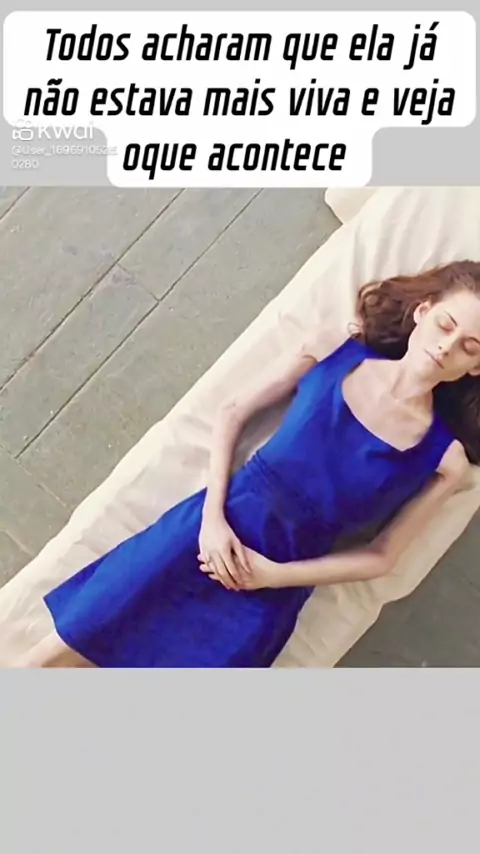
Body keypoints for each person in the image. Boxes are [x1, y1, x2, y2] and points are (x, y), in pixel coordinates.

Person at [12, 260, 480, 668]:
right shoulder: (336, 348)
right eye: (446, 325)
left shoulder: (445, 459)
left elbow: (382, 557)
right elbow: (233, 412)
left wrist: (273, 576)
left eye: (470, 346)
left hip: (269, 591)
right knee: (50, 656)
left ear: (476, 367)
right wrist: (212, 520)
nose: (447, 346)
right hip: (201, 534)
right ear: (422, 312)